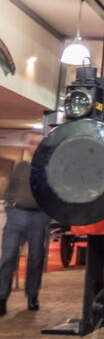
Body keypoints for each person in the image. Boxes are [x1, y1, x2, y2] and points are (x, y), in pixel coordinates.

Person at [0, 131, 48, 315]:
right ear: (27, 146)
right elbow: (11, 189)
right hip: (16, 215)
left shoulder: (49, 168)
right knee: (8, 257)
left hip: (38, 217)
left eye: (37, 143)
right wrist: (11, 209)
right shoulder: (21, 166)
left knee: (35, 259)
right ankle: (2, 297)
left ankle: (32, 295)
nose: (34, 146)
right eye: (31, 143)